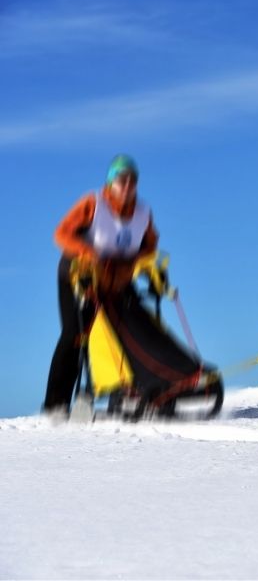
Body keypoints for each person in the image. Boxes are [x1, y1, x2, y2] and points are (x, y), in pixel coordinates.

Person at [44, 154, 158, 415]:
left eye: (132, 180)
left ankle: (130, 388)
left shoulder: (142, 213)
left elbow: (149, 245)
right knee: (75, 334)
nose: (127, 186)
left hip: (113, 279)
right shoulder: (93, 203)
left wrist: (137, 264)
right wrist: (87, 253)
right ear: (111, 182)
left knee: (129, 329)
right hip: (76, 274)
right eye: (121, 180)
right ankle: (55, 405)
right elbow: (61, 234)